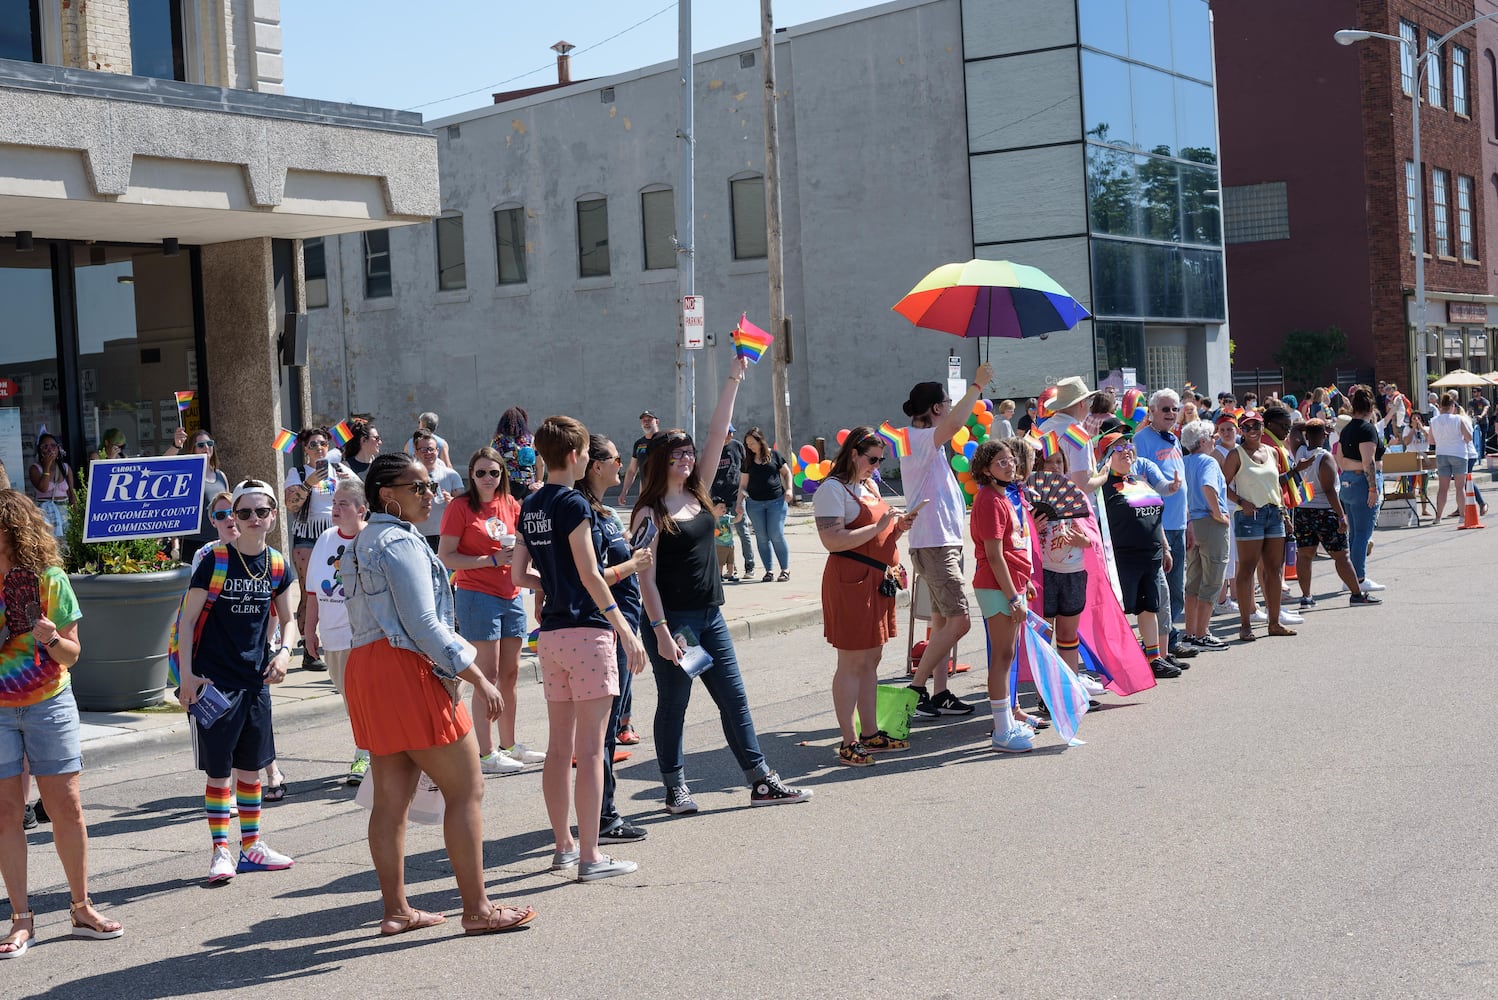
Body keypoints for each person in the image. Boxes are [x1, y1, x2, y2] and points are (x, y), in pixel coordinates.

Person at [342, 454, 533, 935]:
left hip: (368, 667)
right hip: (405, 668)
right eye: (420, 487)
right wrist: (478, 677)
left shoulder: (363, 539)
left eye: (430, 487)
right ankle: (478, 910)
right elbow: (423, 625)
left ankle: (397, 910)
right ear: (389, 494)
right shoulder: (397, 541)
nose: (432, 494)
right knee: (466, 789)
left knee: (391, 798)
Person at [632, 356, 812, 811]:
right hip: (674, 624)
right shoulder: (648, 512)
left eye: (689, 453)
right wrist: (660, 632)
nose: (687, 458)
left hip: (710, 616)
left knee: (735, 700)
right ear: (660, 461)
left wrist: (733, 378)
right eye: (677, 454)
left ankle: (761, 780)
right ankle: (674, 787)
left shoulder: (698, 492)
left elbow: (716, 434)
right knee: (675, 705)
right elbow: (644, 580)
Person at [512, 416, 646, 882]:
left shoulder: (530, 504)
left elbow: (517, 575)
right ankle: (590, 856)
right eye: (587, 453)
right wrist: (624, 630)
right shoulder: (573, 503)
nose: (589, 459)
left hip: (550, 636)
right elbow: (591, 573)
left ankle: (564, 847)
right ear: (574, 456)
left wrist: (551, 584)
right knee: (590, 751)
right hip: (587, 632)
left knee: (558, 748)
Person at [0, 490, 122, 958]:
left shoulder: (50, 580)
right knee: (8, 813)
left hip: (49, 703)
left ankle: (81, 907)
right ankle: (20, 919)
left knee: (66, 806)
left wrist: (50, 637)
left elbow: (73, 654)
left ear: (12, 530)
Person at [177, 479, 298, 883]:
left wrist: (283, 653)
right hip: (214, 681)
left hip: (255, 680)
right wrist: (188, 675)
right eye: (242, 512)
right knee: (219, 773)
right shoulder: (215, 560)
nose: (251, 519)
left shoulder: (278, 564)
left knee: (251, 769)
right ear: (233, 517)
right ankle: (221, 851)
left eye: (260, 511)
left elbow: (290, 619)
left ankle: (252, 847)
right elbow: (188, 619)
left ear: (273, 516)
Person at [815, 427, 918, 767]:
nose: (876, 466)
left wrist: (898, 527)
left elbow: (880, 529)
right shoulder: (832, 489)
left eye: (880, 460)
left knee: (872, 658)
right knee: (851, 662)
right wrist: (878, 528)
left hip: (878, 580)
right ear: (854, 454)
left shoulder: (868, 485)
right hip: (851, 581)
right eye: (872, 459)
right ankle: (848, 741)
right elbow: (832, 540)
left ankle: (870, 732)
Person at [438, 447, 544, 775]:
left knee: (511, 675)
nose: (487, 478)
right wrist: (490, 560)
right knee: (488, 675)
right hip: (476, 595)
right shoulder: (460, 507)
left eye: (494, 473)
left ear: (503, 475)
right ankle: (484, 753)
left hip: (511, 594)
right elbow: (446, 557)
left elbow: (527, 543)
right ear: (471, 474)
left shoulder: (511, 504)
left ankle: (509, 745)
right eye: (481, 472)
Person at [900, 362, 995, 720]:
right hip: (935, 544)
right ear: (937, 408)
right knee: (960, 621)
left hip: (943, 542)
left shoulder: (928, 443)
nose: (951, 407)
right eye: (947, 401)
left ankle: (939, 692)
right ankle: (917, 689)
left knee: (942, 623)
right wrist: (977, 385)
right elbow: (956, 424)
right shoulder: (919, 438)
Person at [574, 435, 654, 843]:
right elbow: (586, 578)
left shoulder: (600, 509)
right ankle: (603, 818)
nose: (622, 464)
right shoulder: (583, 511)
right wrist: (633, 564)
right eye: (615, 459)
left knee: (606, 728)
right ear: (595, 465)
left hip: (620, 623)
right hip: (606, 626)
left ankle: (599, 814)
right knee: (601, 733)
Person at [970, 438, 1042, 752]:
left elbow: (1012, 549)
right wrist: (1014, 597)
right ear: (985, 469)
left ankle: (1007, 723)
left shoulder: (1001, 497)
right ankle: (1001, 730)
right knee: (1002, 658)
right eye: (1001, 461)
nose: (1010, 464)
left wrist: (1022, 583)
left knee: (1006, 655)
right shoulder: (988, 499)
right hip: (996, 586)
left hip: (1008, 584)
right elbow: (995, 555)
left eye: (1011, 459)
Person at [303, 480, 372, 786]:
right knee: (350, 700)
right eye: (335, 502)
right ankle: (370, 748)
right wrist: (309, 631)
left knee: (366, 699)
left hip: (367, 637)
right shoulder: (326, 539)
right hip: (333, 638)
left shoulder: (372, 538)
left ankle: (366, 753)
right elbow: (314, 590)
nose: (336, 508)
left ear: (362, 509)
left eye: (344, 503)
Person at [1096, 430, 1180, 678]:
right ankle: (1115, 662)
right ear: (1107, 457)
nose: (1127, 451)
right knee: (1118, 612)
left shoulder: (1140, 482)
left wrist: (1164, 546)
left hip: (1151, 556)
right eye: (1119, 448)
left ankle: (1154, 659)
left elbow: (1156, 518)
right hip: (1122, 558)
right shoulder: (1102, 488)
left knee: (1149, 608)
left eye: (1129, 446)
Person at [285, 427, 360, 671]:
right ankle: (308, 646)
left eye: (323, 444)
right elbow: (292, 505)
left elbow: (361, 494)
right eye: (313, 445)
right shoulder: (297, 473)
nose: (319, 448)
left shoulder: (340, 470)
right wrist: (308, 484)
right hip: (308, 536)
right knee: (310, 591)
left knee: (344, 586)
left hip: (339, 536)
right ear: (305, 449)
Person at [1222, 412, 1295, 642]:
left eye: (1257, 425)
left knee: (1274, 570)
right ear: (1241, 430)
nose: (1252, 429)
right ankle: (1245, 625)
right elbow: (1221, 486)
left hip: (1274, 513)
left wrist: (1284, 514)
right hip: (1249, 515)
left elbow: (1275, 486)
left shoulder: (1273, 452)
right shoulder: (1236, 454)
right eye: (1247, 426)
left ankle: (1274, 623)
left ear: (1263, 427)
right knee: (1247, 570)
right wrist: (1242, 502)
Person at [1291, 420, 1380, 608]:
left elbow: (1294, 429)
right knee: (1341, 556)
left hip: (1302, 512)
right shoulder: (1324, 457)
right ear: (1325, 435)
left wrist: (1308, 426)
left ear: (1307, 434)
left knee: (1305, 555)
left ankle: (1306, 597)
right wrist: (1341, 516)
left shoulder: (1299, 452)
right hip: (1325, 511)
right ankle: (1356, 594)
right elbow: (1329, 489)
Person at [1133, 390, 1188, 645]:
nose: (1171, 414)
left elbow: (1181, 481)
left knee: (1177, 591)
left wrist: (1188, 522)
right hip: (1158, 527)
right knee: (1160, 592)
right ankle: (1158, 643)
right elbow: (1140, 481)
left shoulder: (1173, 438)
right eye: (1165, 409)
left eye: (1175, 409)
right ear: (1152, 411)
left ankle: (1168, 638)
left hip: (1179, 523)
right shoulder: (1142, 439)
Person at [1034, 449, 1091, 670]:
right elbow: (1021, 536)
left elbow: (1091, 538)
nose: (1055, 466)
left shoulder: (1075, 494)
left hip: (1073, 572)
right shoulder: (1030, 495)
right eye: (1049, 462)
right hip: (1044, 573)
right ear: (1039, 466)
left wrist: (1082, 539)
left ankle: (1072, 690)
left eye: (1059, 462)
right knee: (1044, 634)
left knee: (1068, 634)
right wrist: (1032, 525)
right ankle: (1045, 696)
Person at [1178, 420, 1231, 651]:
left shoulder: (1184, 461)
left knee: (1194, 580)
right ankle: (1202, 633)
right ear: (1202, 441)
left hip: (1191, 523)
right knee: (1213, 580)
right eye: (1212, 436)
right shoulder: (1208, 461)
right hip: (1209, 523)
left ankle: (1191, 632)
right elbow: (1208, 487)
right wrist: (1218, 514)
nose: (1215, 439)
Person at [1336, 387, 1388, 592]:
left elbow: (1340, 460)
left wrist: (1353, 465)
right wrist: (1373, 487)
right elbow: (1369, 461)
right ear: (1371, 407)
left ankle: (1350, 577)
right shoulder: (1367, 429)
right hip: (1362, 484)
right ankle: (1359, 577)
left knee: (1354, 534)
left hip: (1348, 481)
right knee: (1363, 534)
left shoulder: (1347, 428)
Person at [738, 426, 792, 581]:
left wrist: (789, 489)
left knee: (776, 533)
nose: (750, 446)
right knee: (761, 537)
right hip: (754, 504)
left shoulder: (774, 455)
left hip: (776, 501)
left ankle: (785, 569)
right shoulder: (747, 461)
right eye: (747, 444)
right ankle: (769, 571)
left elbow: (786, 473)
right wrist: (738, 504)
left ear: (760, 440)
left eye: (752, 443)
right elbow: (743, 485)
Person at [711, 425, 755, 579]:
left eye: (731, 433)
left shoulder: (737, 446)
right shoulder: (713, 448)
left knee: (743, 530)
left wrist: (745, 490)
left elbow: (746, 467)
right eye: (727, 432)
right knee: (721, 534)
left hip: (736, 495)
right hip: (718, 498)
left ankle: (749, 565)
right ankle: (730, 567)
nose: (729, 435)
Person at [411, 430, 464, 551]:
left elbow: (464, 505)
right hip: (418, 535)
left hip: (445, 535)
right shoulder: (409, 475)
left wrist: (453, 502)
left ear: (437, 451)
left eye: (431, 449)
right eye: (423, 450)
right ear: (416, 452)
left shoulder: (451, 475)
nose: (428, 453)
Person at [1430, 392, 1471, 524]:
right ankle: (1462, 516)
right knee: (1460, 487)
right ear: (1452, 406)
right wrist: (1461, 440)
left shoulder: (1434, 420)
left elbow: (1431, 440)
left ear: (1441, 406)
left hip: (1441, 453)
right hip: (1458, 453)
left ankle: (1438, 517)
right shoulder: (1458, 419)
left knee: (1443, 488)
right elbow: (1469, 437)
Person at [28, 433, 74, 540]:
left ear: (58, 449)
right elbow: (43, 488)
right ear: (40, 450)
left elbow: (71, 493)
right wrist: (47, 466)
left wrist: (75, 514)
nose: (49, 450)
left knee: (68, 542)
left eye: (53, 446)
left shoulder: (65, 468)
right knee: (51, 543)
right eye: (45, 447)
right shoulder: (35, 469)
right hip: (46, 513)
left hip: (65, 511)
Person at [493, 406, 541, 502]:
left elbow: (493, 463)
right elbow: (541, 464)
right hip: (529, 484)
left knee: (511, 514)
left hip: (509, 484)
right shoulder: (530, 439)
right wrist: (538, 482)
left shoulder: (499, 440)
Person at [617, 410, 660, 503]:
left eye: (649, 420)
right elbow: (632, 470)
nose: (646, 423)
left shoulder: (664, 440)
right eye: (644, 420)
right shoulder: (639, 443)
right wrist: (624, 491)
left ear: (657, 422)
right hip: (644, 494)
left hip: (663, 492)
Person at [712, 500, 738, 581]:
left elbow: (736, 520)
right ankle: (719, 575)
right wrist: (717, 533)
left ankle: (730, 574)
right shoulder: (713, 519)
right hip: (719, 545)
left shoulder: (726, 517)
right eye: (721, 507)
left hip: (730, 544)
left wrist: (740, 514)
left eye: (724, 507)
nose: (724, 509)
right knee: (720, 562)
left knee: (731, 561)